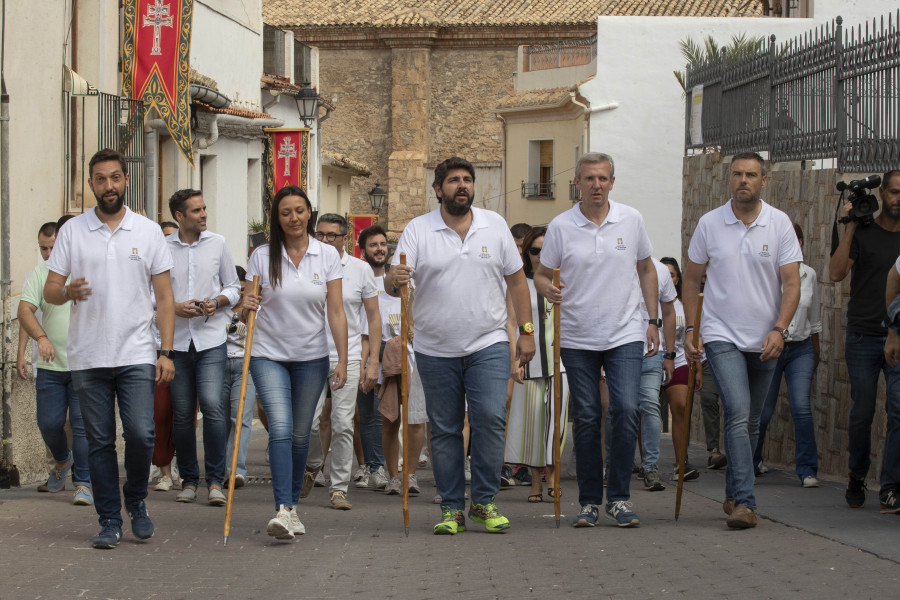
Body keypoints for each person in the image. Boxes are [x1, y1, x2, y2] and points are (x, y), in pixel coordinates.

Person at [385, 156, 535, 535]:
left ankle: (484, 502)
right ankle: (452, 508)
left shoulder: (494, 225)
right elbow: (394, 284)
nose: (462, 186)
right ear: (439, 189)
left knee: (489, 418)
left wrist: (527, 331)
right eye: (454, 180)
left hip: (489, 342)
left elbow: (517, 282)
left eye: (467, 180)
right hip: (435, 348)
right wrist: (393, 278)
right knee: (446, 429)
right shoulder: (419, 230)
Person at [44, 148, 175, 549]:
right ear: (91, 185)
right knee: (100, 442)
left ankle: (136, 501)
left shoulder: (148, 231)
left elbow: (165, 297)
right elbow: (51, 289)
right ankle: (108, 520)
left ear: (126, 181)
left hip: (136, 351)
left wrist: (165, 351)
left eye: (115, 178)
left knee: (140, 433)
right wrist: (67, 291)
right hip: (88, 356)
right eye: (100, 179)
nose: (109, 186)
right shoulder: (73, 232)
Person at [535, 152, 659, 529]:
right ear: (577, 183)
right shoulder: (561, 226)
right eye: (589, 179)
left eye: (603, 178)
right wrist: (548, 291)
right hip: (576, 335)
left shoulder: (631, 219)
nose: (596, 185)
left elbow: (646, 268)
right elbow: (541, 275)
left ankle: (618, 498)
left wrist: (652, 320)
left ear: (612, 182)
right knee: (587, 417)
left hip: (625, 332)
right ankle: (589, 501)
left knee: (625, 409)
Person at [683, 152, 801, 529]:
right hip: (721, 334)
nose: (743, 180)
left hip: (766, 337)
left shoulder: (779, 223)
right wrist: (691, 328)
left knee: (752, 421)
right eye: (737, 174)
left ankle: (733, 494)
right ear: (729, 179)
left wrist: (780, 329)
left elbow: (792, 283)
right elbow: (690, 279)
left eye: (751, 175)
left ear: (764, 180)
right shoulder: (709, 223)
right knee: (737, 411)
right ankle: (746, 505)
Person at [242, 185, 348, 540]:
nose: (293, 218)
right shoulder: (261, 256)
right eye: (285, 212)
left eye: (299, 211)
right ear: (277, 217)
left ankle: (292, 507)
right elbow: (245, 310)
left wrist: (343, 359)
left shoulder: (326, 255)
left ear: (309, 213)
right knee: (282, 428)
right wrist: (247, 307)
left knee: (303, 434)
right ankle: (283, 509)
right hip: (267, 354)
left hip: (311, 357)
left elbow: (335, 311)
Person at [829, 169, 900, 512]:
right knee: (862, 413)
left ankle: (890, 487)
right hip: (862, 336)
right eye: (895, 192)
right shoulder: (864, 230)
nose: (898, 198)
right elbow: (836, 272)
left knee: (898, 412)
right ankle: (857, 474)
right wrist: (851, 226)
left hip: (898, 336)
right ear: (882, 192)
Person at [165, 189, 240, 506]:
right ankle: (188, 480)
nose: (203, 214)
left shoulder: (218, 243)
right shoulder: (162, 247)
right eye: (196, 210)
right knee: (182, 414)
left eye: (204, 208)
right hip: (177, 342)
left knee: (212, 405)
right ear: (180, 216)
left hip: (210, 340)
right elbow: (150, 293)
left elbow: (235, 287)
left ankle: (215, 481)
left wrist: (217, 301)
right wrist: (173, 308)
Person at [301, 213, 380, 510]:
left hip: (347, 356)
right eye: (319, 234)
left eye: (330, 235)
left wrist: (372, 362)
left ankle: (338, 488)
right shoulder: (305, 263)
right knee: (307, 424)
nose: (323, 240)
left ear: (344, 238)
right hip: (308, 354)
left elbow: (373, 317)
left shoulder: (360, 270)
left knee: (343, 423)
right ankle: (314, 463)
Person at [17, 219, 92, 505]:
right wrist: (41, 338)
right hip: (50, 366)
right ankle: (63, 460)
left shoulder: (89, 271)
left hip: (84, 364)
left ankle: (82, 482)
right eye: (44, 248)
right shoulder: (41, 273)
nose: (50, 253)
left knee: (81, 424)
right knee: (48, 423)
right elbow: (25, 310)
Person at [503, 227, 570, 502]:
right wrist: (514, 361)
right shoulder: (519, 283)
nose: (540, 256)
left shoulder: (564, 280)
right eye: (534, 250)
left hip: (561, 362)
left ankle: (553, 476)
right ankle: (534, 482)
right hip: (529, 361)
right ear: (526, 253)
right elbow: (510, 323)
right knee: (531, 423)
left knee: (556, 422)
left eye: (545, 250)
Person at [753, 223, 821, 487]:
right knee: (764, 410)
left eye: (797, 240)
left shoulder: (809, 275)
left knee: (801, 406)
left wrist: (817, 350)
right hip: (770, 348)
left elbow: (813, 316)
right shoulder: (766, 275)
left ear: (800, 243)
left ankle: (806, 469)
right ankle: (752, 460)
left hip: (800, 348)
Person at [659, 257, 704, 482]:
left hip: (679, 359)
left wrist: (698, 369)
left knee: (681, 407)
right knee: (641, 413)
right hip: (649, 359)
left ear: (678, 278)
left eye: (673, 274)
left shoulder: (684, 304)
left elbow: (694, 335)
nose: (669, 278)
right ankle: (645, 463)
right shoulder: (647, 300)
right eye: (664, 273)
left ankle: (680, 462)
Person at [635, 257, 677, 491]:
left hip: (652, 353)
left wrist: (669, 355)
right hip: (619, 349)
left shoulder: (660, 271)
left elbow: (669, 312)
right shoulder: (616, 261)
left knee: (651, 405)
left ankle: (650, 467)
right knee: (618, 408)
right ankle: (612, 464)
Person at [353, 225, 390, 490]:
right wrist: (368, 360)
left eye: (382, 243)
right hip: (365, 349)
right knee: (367, 415)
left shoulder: (398, 279)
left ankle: (394, 470)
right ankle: (373, 467)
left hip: (397, 351)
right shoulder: (358, 277)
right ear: (363, 249)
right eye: (373, 244)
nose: (379, 249)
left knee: (394, 416)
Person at [152, 221, 181, 492]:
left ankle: (183, 467)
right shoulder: (150, 264)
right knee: (159, 412)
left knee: (184, 413)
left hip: (189, 348)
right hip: (154, 349)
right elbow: (154, 300)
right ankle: (163, 470)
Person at [223, 265, 255, 489]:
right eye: (237, 289)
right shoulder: (218, 308)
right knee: (219, 419)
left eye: (244, 289)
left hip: (246, 365)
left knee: (240, 418)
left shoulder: (254, 309)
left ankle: (235, 470)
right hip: (218, 364)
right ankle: (219, 469)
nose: (241, 294)